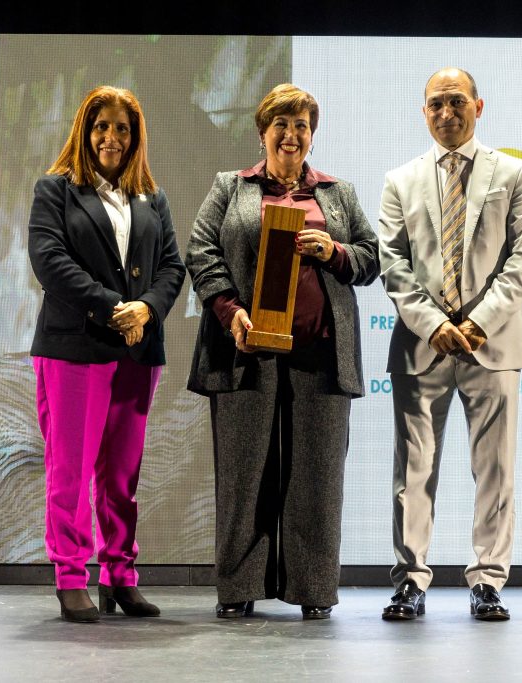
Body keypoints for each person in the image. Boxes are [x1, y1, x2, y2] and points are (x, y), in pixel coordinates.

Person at [186, 83, 379, 620]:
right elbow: (200, 252)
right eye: (282, 125)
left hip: (320, 354)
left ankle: (313, 590)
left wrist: (334, 250)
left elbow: (370, 258)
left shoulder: (337, 193)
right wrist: (232, 314)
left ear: (312, 134)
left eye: (302, 126)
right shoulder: (232, 187)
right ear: (263, 131)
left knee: (317, 478)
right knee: (244, 475)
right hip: (247, 351)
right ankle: (239, 588)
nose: (292, 135)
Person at [378, 68, 522, 621]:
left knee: (495, 469)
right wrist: (432, 324)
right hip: (421, 345)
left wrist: (477, 323)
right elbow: (393, 265)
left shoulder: (514, 174)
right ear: (423, 112)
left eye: (456, 102)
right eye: (435, 104)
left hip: (490, 345)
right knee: (412, 472)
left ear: (478, 104)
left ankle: (489, 581)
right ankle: (409, 581)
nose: (446, 112)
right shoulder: (399, 180)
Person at [27, 85, 186, 623]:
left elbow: (172, 267)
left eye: (122, 128)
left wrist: (146, 310)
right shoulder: (56, 190)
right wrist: (113, 306)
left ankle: (121, 576)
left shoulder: (151, 198)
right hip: (75, 348)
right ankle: (72, 577)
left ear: (135, 136)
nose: (111, 137)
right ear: (83, 131)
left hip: (138, 352)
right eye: (101, 126)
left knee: (122, 476)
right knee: (69, 471)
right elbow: (49, 261)